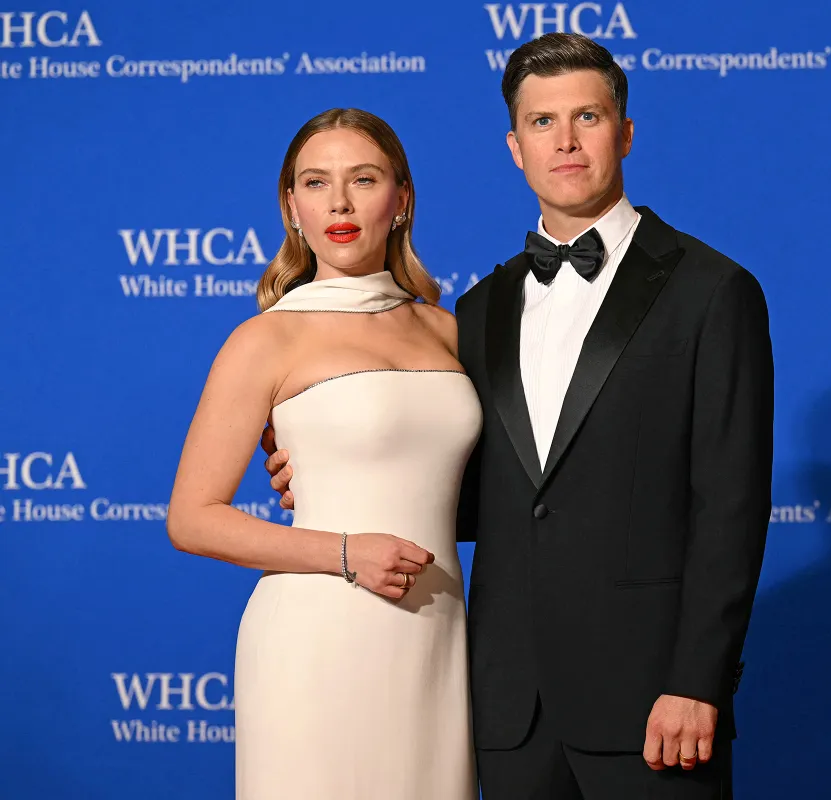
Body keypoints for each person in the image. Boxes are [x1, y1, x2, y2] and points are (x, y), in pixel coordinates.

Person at [267, 33, 773, 800]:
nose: (564, 142)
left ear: (625, 132)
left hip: (652, 706)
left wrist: (698, 681)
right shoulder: (477, 308)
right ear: (514, 145)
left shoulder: (712, 291)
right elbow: (482, 493)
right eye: (542, 123)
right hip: (503, 711)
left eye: (587, 118)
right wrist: (340, 474)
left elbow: (731, 506)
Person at [166, 108, 480, 800]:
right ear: (291, 207)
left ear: (401, 199)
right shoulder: (265, 341)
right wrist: (345, 550)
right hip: (319, 636)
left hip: (436, 636)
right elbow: (191, 518)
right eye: (316, 182)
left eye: (362, 179)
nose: (338, 202)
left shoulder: (449, 330)